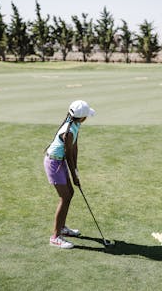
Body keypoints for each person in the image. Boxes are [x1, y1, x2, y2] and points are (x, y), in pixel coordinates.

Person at [44, 100, 95, 249]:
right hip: (54, 163)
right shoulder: (68, 132)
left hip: (59, 162)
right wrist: (74, 176)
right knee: (65, 197)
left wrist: (76, 171)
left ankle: (62, 228)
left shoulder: (75, 124)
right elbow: (68, 155)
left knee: (70, 193)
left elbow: (74, 149)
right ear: (83, 117)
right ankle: (55, 237)